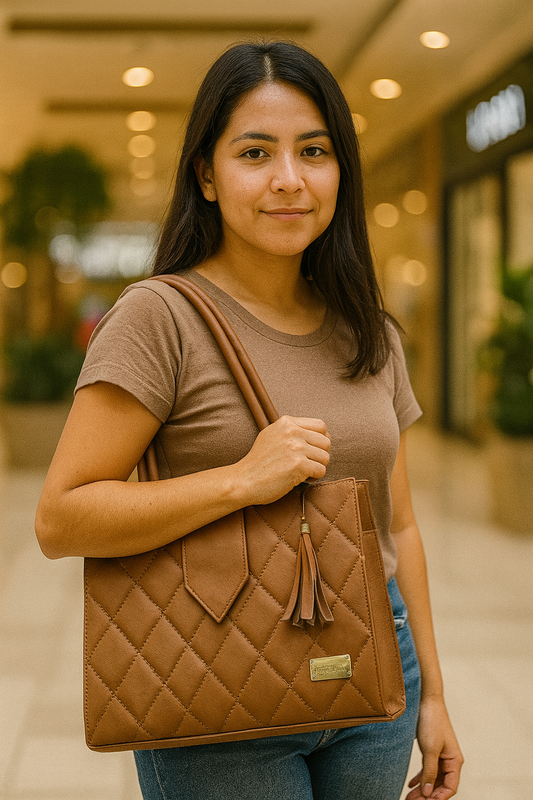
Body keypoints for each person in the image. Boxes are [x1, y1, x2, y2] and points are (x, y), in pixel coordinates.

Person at [35, 40, 463, 800]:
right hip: (216, 673)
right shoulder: (159, 317)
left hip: (373, 675)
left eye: (314, 151)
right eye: (255, 153)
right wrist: (239, 481)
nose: (289, 180)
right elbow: (61, 519)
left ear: (341, 171)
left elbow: (397, 526)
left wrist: (430, 693)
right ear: (206, 173)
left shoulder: (369, 328)